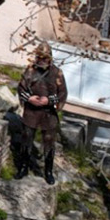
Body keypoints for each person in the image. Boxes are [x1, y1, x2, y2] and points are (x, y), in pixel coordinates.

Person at [14, 44, 68, 181]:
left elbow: (62, 94)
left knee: (49, 142)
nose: (42, 60)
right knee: (26, 138)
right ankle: (23, 167)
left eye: (45, 58)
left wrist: (49, 101)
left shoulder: (57, 73)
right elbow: (21, 89)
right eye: (40, 57)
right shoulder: (30, 71)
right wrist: (29, 98)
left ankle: (48, 172)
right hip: (31, 111)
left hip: (48, 113)